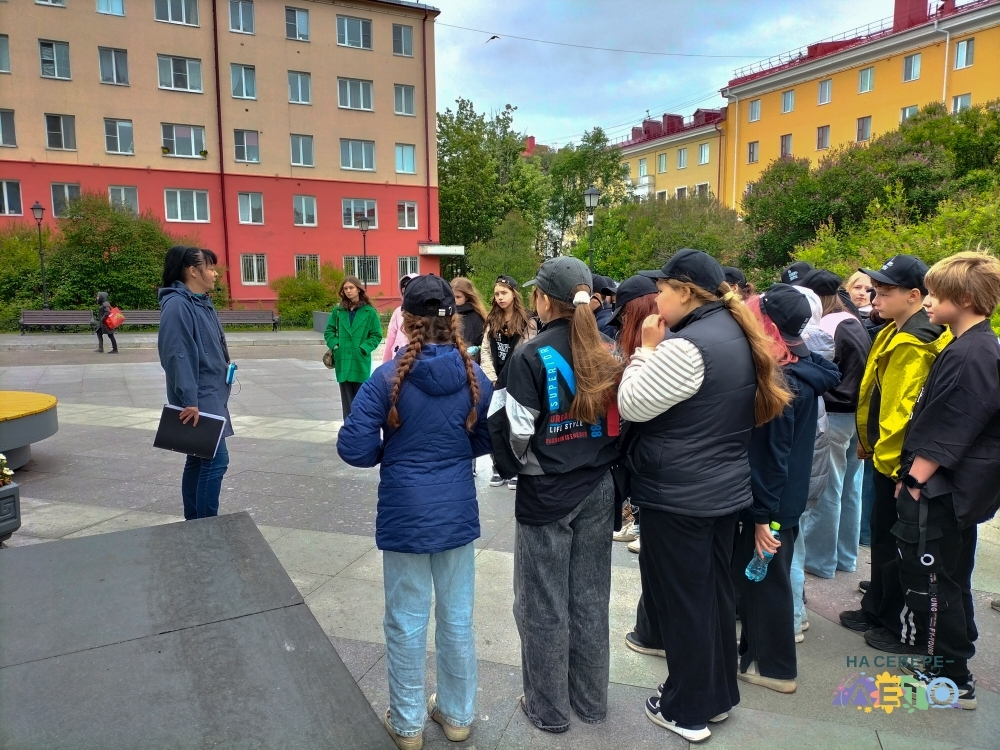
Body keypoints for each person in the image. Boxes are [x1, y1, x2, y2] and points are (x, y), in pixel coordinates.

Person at [618, 249, 792, 742]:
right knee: (711, 595)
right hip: (718, 488)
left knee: (683, 603)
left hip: (679, 493)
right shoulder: (734, 330)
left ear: (686, 292)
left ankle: (687, 708)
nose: (657, 300)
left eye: (662, 290)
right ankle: (715, 695)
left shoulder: (687, 346)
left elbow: (632, 404)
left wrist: (646, 350)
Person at [337, 275, 493, 749]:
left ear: (405, 321)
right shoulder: (475, 376)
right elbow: (485, 439)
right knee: (458, 617)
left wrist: (393, 454)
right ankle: (458, 714)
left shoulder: (387, 378)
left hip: (405, 510)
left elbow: (353, 447)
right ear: (454, 320)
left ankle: (407, 725)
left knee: (405, 619)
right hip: (455, 510)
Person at [503, 256, 622, 734]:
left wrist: (523, 466)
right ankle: (591, 702)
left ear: (543, 300)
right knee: (591, 598)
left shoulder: (530, 355)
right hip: (599, 484)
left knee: (541, 604)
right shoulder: (609, 349)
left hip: (547, 490)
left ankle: (548, 709)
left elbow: (515, 432)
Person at [892, 251, 1000, 710]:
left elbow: (954, 423)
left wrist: (914, 480)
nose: (928, 301)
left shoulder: (973, 353)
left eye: (937, 294)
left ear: (967, 298)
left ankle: (952, 679)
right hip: (954, 489)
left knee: (934, 583)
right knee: (950, 577)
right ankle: (951, 664)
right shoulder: (972, 345)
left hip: (943, 490)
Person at [839, 255, 952, 655]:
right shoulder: (893, 329)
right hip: (886, 456)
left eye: (885, 292)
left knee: (898, 546)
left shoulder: (916, 340)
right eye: (875, 290)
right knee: (884, 540)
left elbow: (901, 412)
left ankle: (895, 622)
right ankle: (877, 606)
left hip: (899, 462)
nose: (875, 298)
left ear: (914, 296)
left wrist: (895, 468)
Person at [735, 286, 840, 694]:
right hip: (789, 496)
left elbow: (771, 457)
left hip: (773, 501)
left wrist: (762, 516)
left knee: (767, 582)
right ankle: (764, 660)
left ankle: (772, 667)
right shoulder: (805, 364)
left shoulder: (781, 380)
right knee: (767, 577)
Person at [798, 271, 872, 580]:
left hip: (835, 412)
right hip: (857, 414)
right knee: (850, 487)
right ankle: (845, 556)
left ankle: (820, 560)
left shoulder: (826, 326)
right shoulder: (851, 320)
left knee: (828, 489)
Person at [157, 246, 233, 520]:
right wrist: (189, 399)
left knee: (199, 458)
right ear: (192, 271)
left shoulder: (200, 301)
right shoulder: (178, 305)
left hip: (211, 393)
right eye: (210, 268)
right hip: (198, 398)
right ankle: (205, 525)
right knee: (216, 461)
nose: (215, 274)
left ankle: (194, 522)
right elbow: (177, 355)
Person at [604, 274, 659, 552]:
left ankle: (639, 524)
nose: (622, 324)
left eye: (624, 316)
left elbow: (631, 405)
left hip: (656, 463)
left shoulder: (658, 348)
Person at [481, 275, 537, 489]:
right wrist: (491, 377)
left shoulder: (527, 321)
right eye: (496, 294)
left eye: (504, 293)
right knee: (495, 423)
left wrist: (517, 378)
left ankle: (516, 466)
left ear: (514, 293)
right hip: (495, 381)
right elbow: (485, 351)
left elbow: (529, 351)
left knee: (516, 424)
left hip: (517, 379)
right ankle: (498, 466)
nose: (500, 297)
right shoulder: (492, 320)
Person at [324, 276, 383, 418]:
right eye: (345, 288)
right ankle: (349, 428)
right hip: (343, 359)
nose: (348, 291)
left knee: (361, 401)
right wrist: (336, 345)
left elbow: (376, 335)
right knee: (347, 403)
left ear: (359, 289)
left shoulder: (369, 312)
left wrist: (363, 348)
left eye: (351, 288)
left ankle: (361, 428)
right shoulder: (338, 311)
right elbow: (329, 331)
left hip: (359, 360)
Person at [382, 273, 419, 364]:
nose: (406, 297)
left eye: (409, 293)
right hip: (398, 357)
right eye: (403, 293)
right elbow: (391, 337)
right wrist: (385, 363)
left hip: (418, 358)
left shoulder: (426, 313)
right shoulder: (398, 312)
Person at [450, 277, 487, 362]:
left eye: (458, 297)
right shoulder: (445, 314)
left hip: (470, 362)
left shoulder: (476, 316)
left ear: (466, 297)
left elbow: (483, 345)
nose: (454, 300)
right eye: (452, 296)